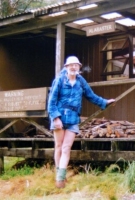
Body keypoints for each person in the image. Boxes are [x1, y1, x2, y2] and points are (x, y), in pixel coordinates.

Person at [47, 56, 115, 188]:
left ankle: (60, 180)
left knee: (67, 148)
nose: (73, 67)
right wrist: (55, 118)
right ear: (66, 67)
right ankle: (58, 174)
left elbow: (91, 95)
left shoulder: (81, 81)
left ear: (79, 67)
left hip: (73, 118)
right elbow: (51, 101)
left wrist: (105, 102)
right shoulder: (59, 80)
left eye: (76, 65)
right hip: (59, 116)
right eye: (70, 65)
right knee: (59, 146)